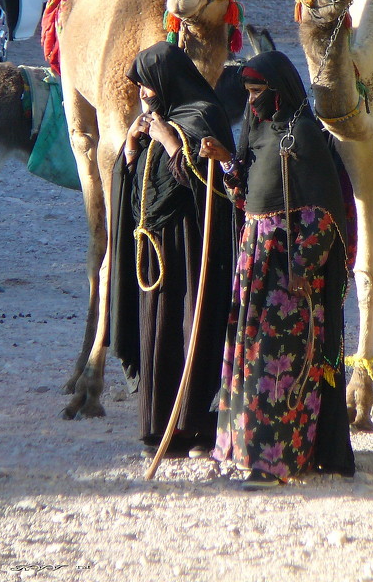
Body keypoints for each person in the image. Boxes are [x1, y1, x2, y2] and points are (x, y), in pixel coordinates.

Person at [200, 51, 355, 490]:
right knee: (249, 359)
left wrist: (305, 263)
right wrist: (225, 160)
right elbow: (244, 191)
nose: (251, 102)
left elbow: (325, 212)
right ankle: (245, 449)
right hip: (255, 260)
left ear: (278, 91)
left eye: (257, 92)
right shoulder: (255, 127)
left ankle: (276, 461)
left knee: (279, 363)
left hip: (292, 273)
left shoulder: (304, 134)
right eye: (247, 93)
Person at [109, 41, 236, 458]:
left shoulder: (203, 115)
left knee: (188, 331)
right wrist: (129, 153)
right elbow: (136, 183)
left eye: (147, 85)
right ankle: (158, 428)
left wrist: (167, 141)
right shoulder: (154, 120)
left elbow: (210, 182)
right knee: (155, 334)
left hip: (189, 249)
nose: (143, 94)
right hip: (153, 251)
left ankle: (195, 428)